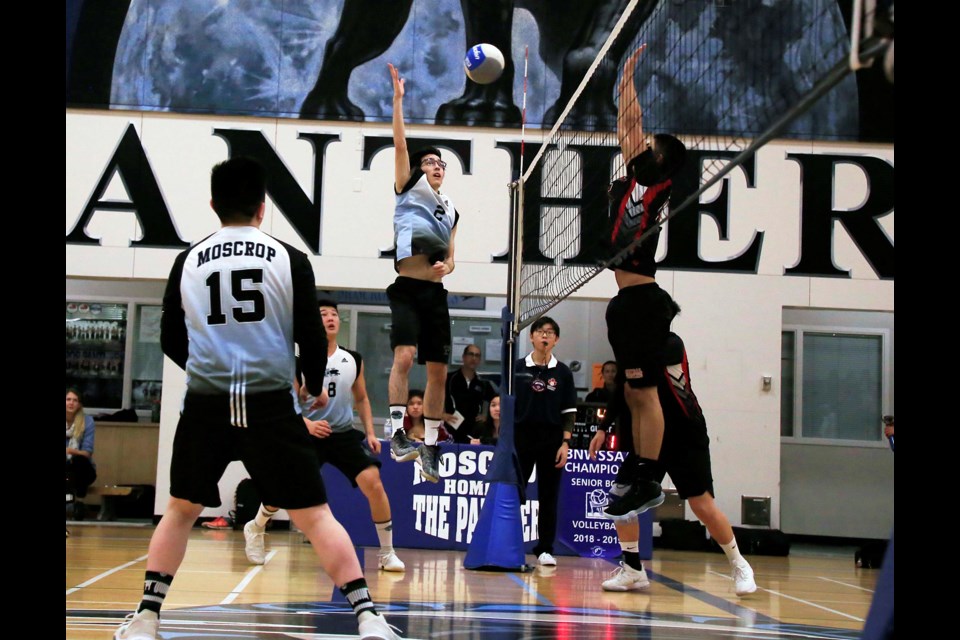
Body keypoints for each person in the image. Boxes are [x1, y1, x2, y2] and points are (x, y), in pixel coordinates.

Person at [114, 157, 398, 640]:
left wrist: (206, 365)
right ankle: (369, 618)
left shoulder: (187, 259)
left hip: (207, 403)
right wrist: (307, 376)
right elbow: (310, 330)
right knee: (314, 516)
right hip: (269, 404)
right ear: (262, 209)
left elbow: (169, 337)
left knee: (181, 509)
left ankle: (146, 617)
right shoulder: (289, 257)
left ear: (212, 205)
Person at [242, 299, 405, 573]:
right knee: (281, 494)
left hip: (341, 435)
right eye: (323, 314)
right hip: (306, 434)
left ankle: (387, 553)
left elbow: (362, 398)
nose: (330, 318)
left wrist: (371, 432)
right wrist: (306, 424)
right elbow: (286, 402)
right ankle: (256, 527)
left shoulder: (352, 359)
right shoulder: (294, 360)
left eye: (334, 314)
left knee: (373, 482)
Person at [588, 332, 757, 596]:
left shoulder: (670, 344)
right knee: (621, 497)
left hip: (684, 434)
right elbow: (623, 389)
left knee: (702, 506)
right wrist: (603, 428)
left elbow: (646, 385)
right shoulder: (631, 349)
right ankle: (633, 570)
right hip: (650, 436)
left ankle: (740, 565)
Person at [600, 44, 687, 521]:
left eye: (649, 144)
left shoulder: (657, 184)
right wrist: (625, 83)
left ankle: (650, 478)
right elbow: (626, 124)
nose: (640, 141)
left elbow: (631, 125)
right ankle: (639, 470)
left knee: (645, 392)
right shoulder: (636, 176)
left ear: (660, 160)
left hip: (643, 300)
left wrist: (628, 80)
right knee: (634, 393)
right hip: (628, 300)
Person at [384, 62, 460, 484]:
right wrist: (397, 103)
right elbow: (399, 146)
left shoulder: (451, 209)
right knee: (405, 356)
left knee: (437, 371)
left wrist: (448, 265)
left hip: (436, 293)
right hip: (406, 289)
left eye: (440, 163)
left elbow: (452, 257)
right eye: (429, 161)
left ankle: (431, 444)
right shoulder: (407, 186)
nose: (436, 166)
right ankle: (397, 434)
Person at [514, 317, 577, 567]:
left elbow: (569, 411)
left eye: (550, 332)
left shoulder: (562, 372)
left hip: (551, 440)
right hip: (521, 438)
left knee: (548, 496)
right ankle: (511, 543)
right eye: (540, 331)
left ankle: (545, 549)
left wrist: (565, 443)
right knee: (514, 492)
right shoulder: (518, 367)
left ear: (556, 339)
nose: (544, 336)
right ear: (531, 337)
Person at [442, 344, 499, 443]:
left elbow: (494, 399)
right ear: (464, 357)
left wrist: (486, 416)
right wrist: (442, 415)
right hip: (452, 424)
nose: (473, 358)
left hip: (474, 427)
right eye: (471, 354)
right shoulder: (449, 378)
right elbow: (436, 398)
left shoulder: (483, 382)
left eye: (477, 355)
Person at [66, 388, 97, 521]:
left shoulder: (87, 421)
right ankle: (72, 505)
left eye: (75, 400)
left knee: (78, 460)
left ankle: (76, 502)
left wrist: (70, 451)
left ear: (79, 404)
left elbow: (87, 452)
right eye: (68, 399)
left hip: (82, 469)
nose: (71, 403)